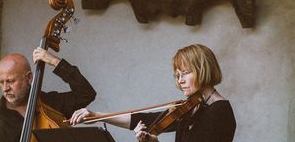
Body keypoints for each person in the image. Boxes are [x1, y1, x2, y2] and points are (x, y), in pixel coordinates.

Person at [69, 44, 235, 142]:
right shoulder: (193, 106)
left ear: (202, 69)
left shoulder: (219, 111)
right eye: (177, 75)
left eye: (185, 73)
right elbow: (147, 120)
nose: (180, 80)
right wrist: (95, 115)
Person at [0, 47, 97, 142]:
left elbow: (86, 94)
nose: (5, 88)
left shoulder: (51, 104)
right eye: (1, 82)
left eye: (10, 81)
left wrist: (54, 61)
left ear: (29, 78)